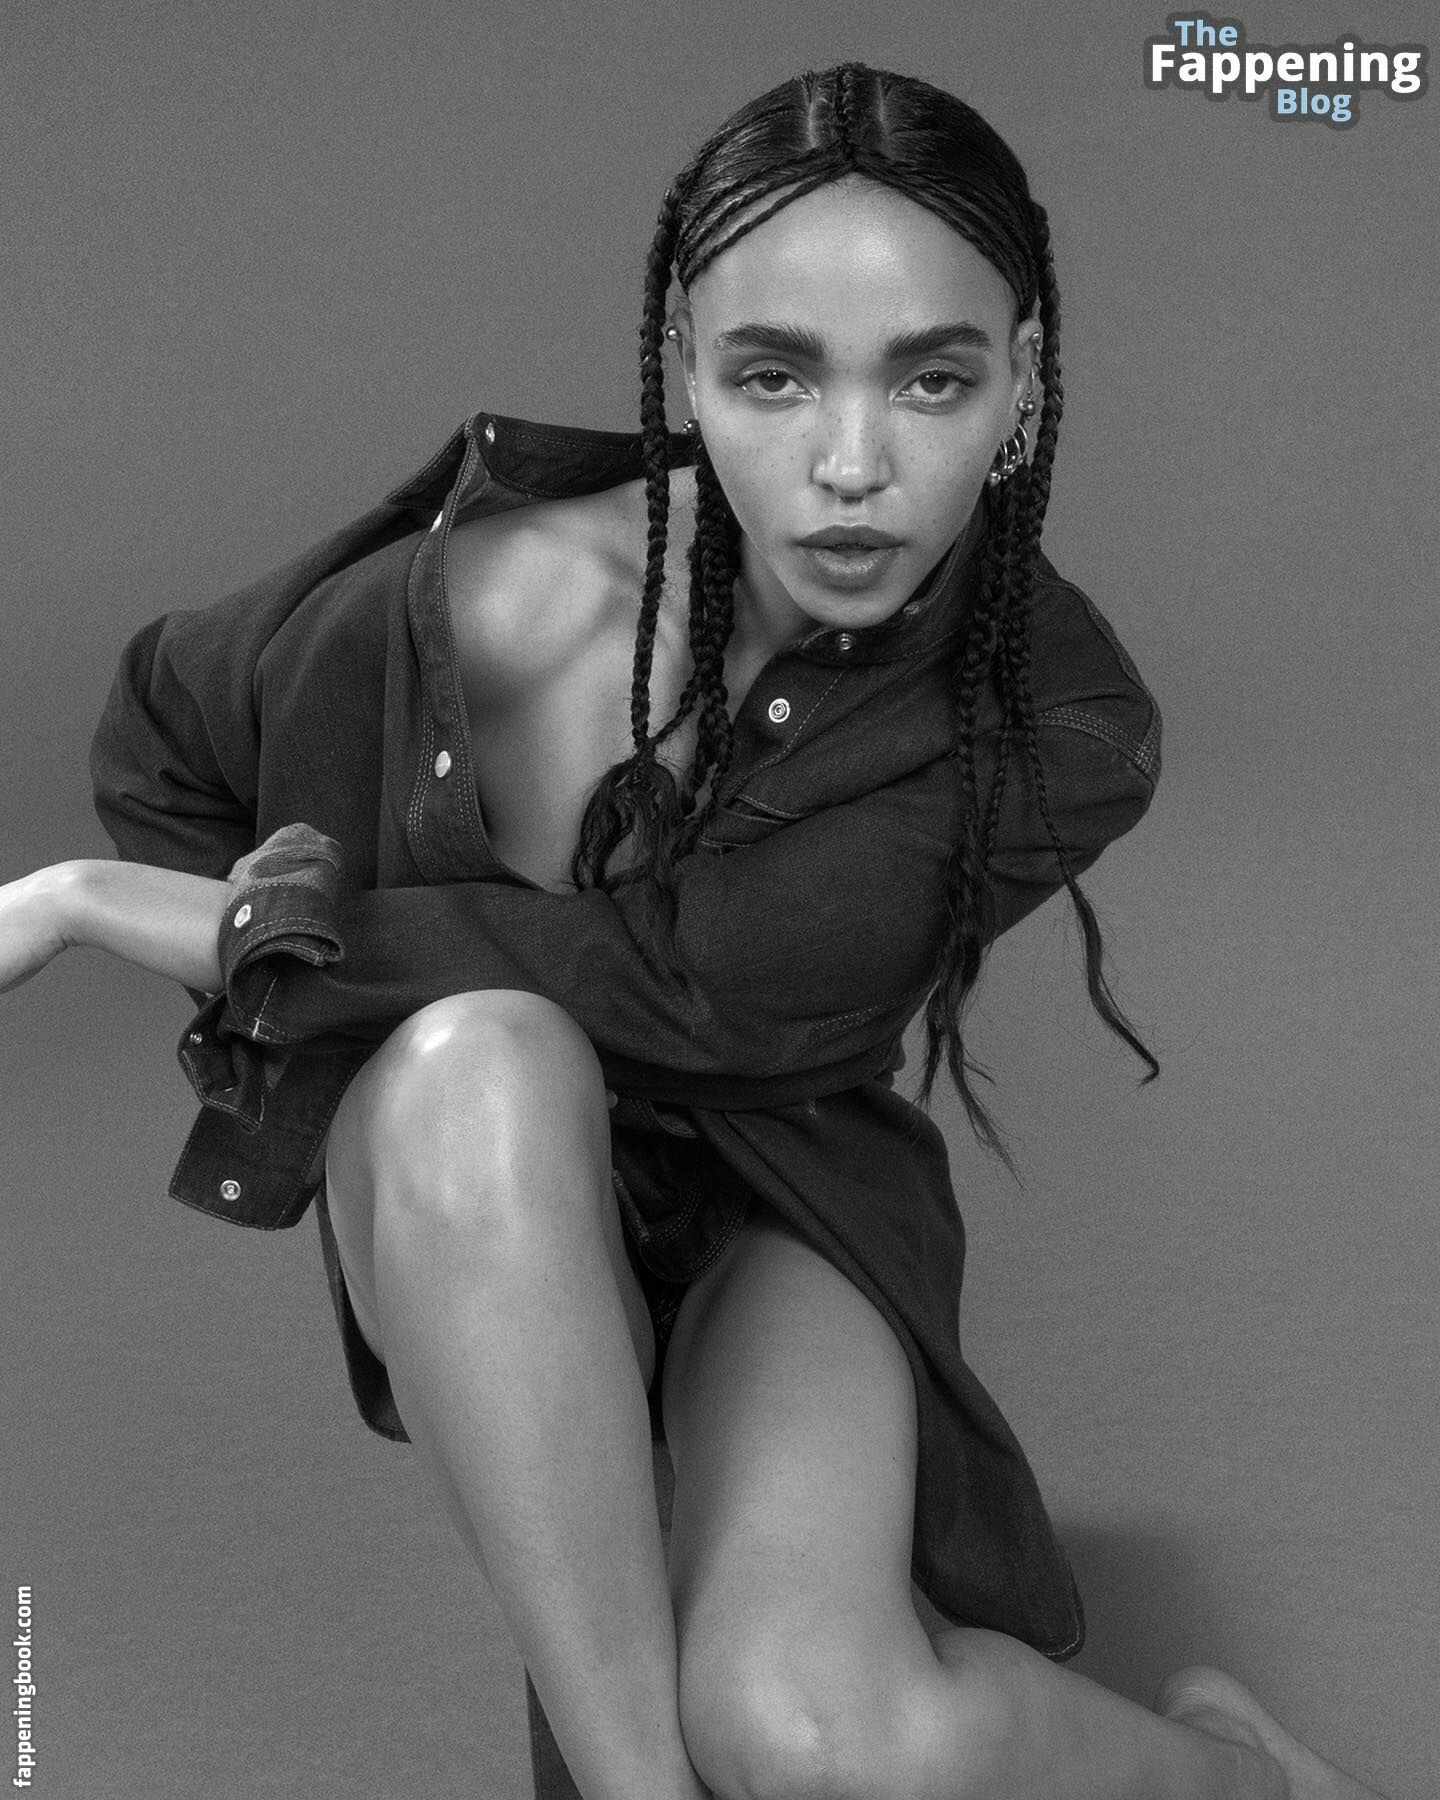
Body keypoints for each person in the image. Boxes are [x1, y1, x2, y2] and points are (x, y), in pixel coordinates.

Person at [2, 61, 1383, 1800]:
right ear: (683, 370)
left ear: (1023, 382)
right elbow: (167, 726)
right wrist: (318, 1058)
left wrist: (138, 912)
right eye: (775, 376)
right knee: (475, 1061)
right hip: (457, 1169)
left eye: (933, 379)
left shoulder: (1060, 720)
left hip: (779, 1181)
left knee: (808, 1737)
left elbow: (695, 988)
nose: (852, 469)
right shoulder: (497, 610)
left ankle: (1238, 1776)